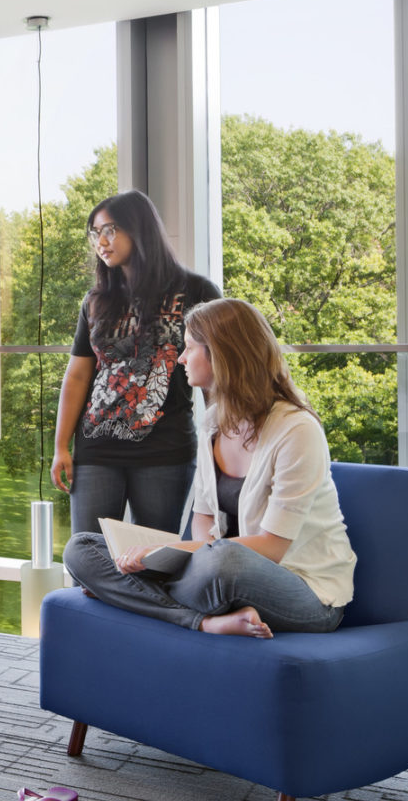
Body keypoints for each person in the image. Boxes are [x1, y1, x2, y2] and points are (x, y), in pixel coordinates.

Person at [61, 298, 356, 638]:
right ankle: (206, 622)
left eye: (188, 347)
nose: (181, 358)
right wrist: (186, 556)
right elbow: (202, 517)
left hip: (304, 590)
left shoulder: (297, 430)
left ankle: (131, 596)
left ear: (221, 354)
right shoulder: (214, 422)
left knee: (223, 563)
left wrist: (176, 557)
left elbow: (272, 548)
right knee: (81, 550)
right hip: (216, 576)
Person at [52, 190, 221, 537]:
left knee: (154, 560)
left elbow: (215, 376)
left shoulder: (196, 291)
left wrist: (219, 446)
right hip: (96, 449)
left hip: (165, 451)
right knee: (88, 554)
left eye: (110, 230)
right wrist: (60, 446)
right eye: (95, 233)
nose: (101, 241)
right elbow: (78, 376)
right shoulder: (96, 300)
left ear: (139, 228)